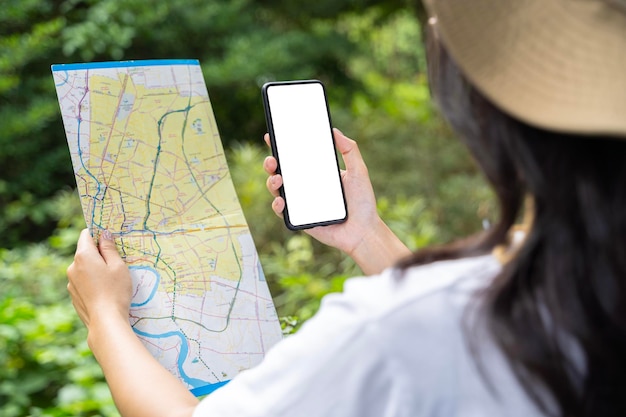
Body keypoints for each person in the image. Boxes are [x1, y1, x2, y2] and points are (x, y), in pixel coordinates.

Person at [66, 0, 626, 416]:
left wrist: (108, 321)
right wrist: (367, 237)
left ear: (486, 120)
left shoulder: (397, 326)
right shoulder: (581, 294)